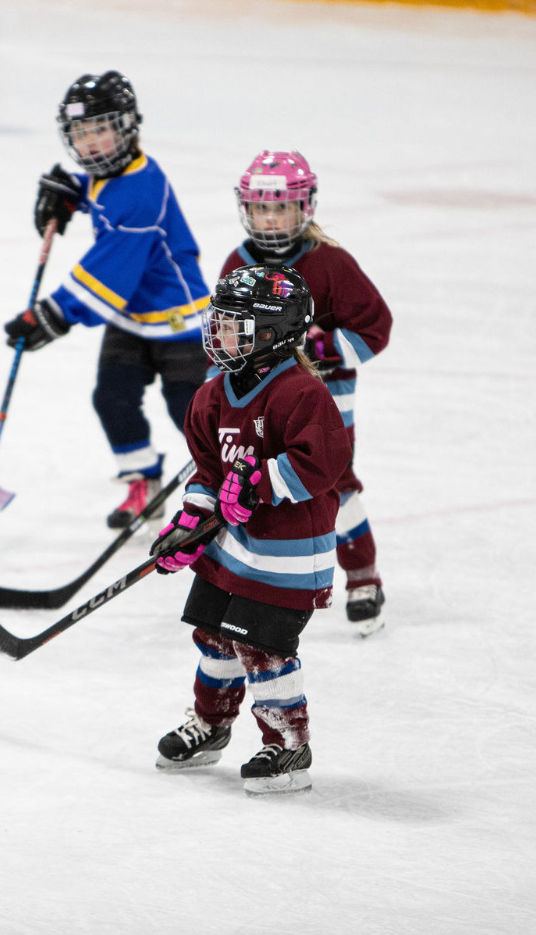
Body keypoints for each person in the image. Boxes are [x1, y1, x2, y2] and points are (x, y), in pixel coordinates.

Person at [148, 264, 352, 794]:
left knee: (262, 649)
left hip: (286, 556)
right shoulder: (212, 395)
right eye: (217, 323)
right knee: (214, 639)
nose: (217, 335)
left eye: (232, 327)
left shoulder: (301, 394)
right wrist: (191, 521)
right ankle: (211, 725)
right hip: (229, 550)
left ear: (272, 332)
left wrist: (260, 482)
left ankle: (288, 745)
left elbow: (323, 462)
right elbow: (208, 473)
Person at [3, 72, 211, 528]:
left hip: (180, 321)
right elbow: (103, 194)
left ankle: (228, 484)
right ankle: (143, 481)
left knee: (191, 411)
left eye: (100, 130)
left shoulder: (141, 193)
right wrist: (73, 192)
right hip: (131, 316)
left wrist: (53, 314)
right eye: (80, 133)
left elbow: (109, 272)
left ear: (127, 128)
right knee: (112, 398)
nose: (90, 143)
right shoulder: (110, 175)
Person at [216, 151, 394, 635]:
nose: (271, 219)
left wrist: (321, 347)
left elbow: (374, 329)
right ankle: (257, 579)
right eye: (261, 208)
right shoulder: (238, 264)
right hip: (260, 400)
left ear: (305, 206)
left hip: (325, 396)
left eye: (281, 207)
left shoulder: (330, 263)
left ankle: (363, 576)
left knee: (333, 481)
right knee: (255, 482)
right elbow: (225, 334)